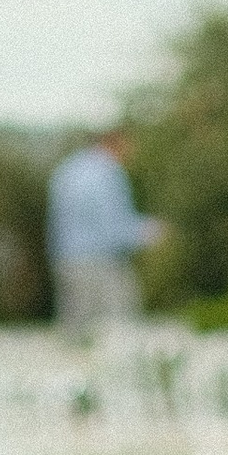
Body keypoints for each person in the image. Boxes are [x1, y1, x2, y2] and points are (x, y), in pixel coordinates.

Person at [47, 128, 166, 330]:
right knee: (119, 327)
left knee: (75, 331)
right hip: (100, 264)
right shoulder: (108, 172)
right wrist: (151, 231)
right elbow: (114, 229)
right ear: (116, 141)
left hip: (65, 260)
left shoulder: (68, 168)